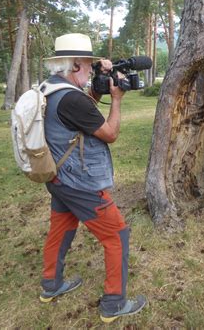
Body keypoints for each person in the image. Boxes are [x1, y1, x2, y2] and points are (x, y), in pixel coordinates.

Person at [40, 33, 146, 323]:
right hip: (79, 182)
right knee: (117, 235)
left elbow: (82, 111)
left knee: (61, 229)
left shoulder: (51, 88)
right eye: (88, 65)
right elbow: (109, 133)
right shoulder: (72, 98)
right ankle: (114, 303)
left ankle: (50, 285)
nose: (91, 70)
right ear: (74, 65)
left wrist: (99, 85)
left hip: (57, 177)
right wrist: (117, 98)